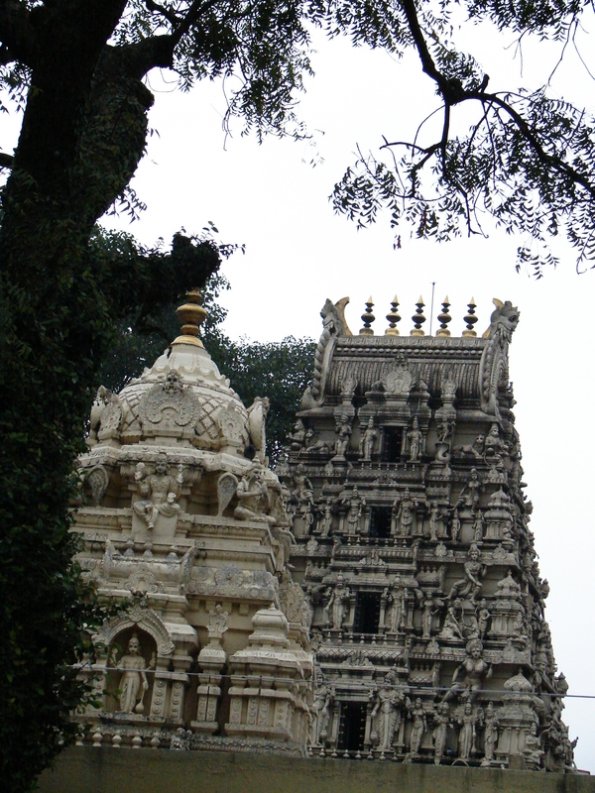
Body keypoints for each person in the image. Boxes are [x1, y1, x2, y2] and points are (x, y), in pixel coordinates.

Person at [116, 634, 148, 714]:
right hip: (126, 677)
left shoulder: (140, 659)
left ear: (138, 648)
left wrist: (145, 680)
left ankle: (129, 710)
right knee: (124, 694)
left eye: (135, 647)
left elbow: (142, 671)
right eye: (131, 646)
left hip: (135, 678)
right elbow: (121, 667)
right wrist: (119, 668)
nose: (132, 649)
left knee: (133, 695)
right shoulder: (124, 658)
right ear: (128, 647)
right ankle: (123, 709)